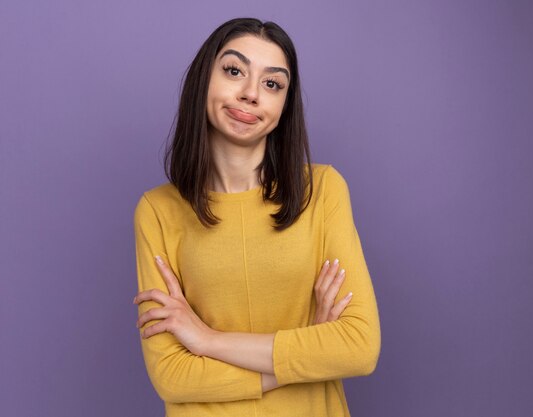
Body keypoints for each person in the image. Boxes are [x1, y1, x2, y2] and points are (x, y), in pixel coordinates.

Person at [132, 17, 380, 417]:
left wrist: (207, 340)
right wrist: (304, 353)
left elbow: (358, 347)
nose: (251, 94)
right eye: (234, 71)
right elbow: (172, 375)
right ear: (203, 82)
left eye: (272, 84)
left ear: (284, 106)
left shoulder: (324, 191)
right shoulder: (157, 211)